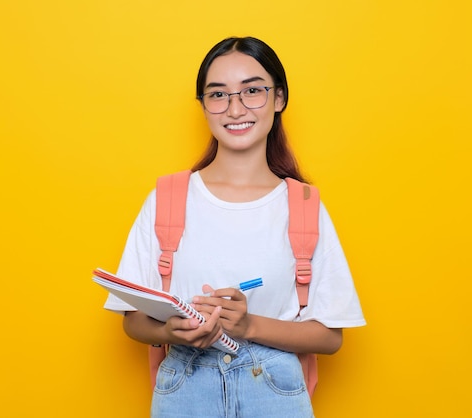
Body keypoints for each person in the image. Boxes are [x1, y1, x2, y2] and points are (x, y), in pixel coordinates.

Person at [104, 36, 366, 417]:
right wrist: (168, 332)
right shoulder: (167, 198)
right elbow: (133, 321)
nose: (235, 108)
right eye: (218, 94)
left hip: (274, 392)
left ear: (279, 99)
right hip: (184, 389)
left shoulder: (303, 205)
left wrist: (247, 325)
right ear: (204, 106)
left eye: (253, 91)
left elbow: (329, 336)